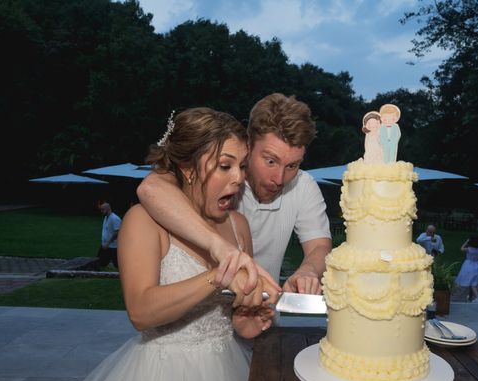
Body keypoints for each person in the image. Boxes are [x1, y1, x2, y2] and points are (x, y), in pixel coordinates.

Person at [31, 108, 275, 381]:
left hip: (226, 378)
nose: (240, 178)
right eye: (226, 166)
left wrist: (246, 320)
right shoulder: (142, 221)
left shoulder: (239, 226)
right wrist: (216, 277)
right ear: (190, 167)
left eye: (241, 166)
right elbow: (141, 311)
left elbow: (232, 317)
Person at [137, 93, 332, 295]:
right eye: (270, 161)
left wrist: (307, 272)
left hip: (260, 312)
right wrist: (220, 247)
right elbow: (150, 188)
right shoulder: (210, 176)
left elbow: (319, 246)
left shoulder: (304, 185)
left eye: (292, 165)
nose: (280, 178)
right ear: (248, 145)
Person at [455, 235, 478, 303]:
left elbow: (461, 248)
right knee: (472, 281)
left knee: (471, 283)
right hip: (477, 266)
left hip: (468, 266)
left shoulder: (469, 248)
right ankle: (470, 297)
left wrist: (466, 241)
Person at [97, 202, 121, 269]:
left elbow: (117, 232)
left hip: (112, 246)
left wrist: (108, 243)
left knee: (117, 264)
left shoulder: (115, 218)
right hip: (105, 245)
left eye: (103, 209)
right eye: (101, 209)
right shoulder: (105, 217)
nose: (101, 211)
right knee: (99, 261)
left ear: (108, 209)